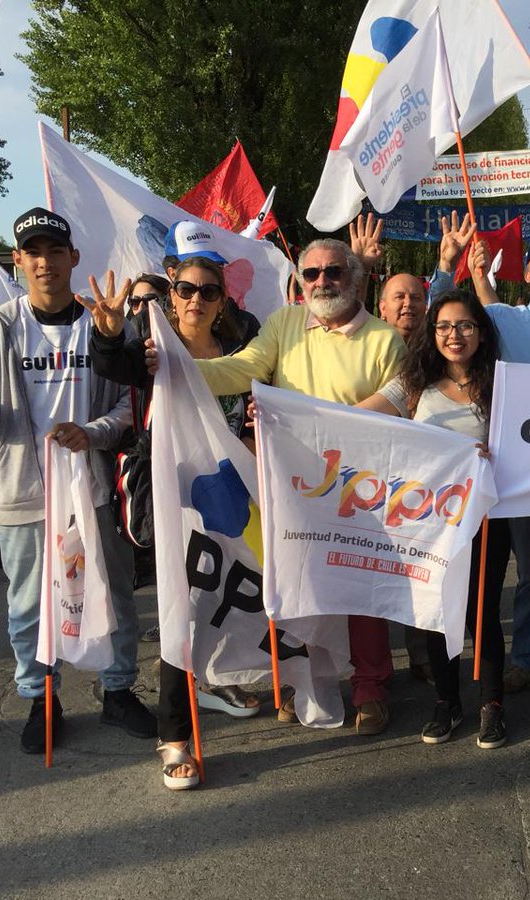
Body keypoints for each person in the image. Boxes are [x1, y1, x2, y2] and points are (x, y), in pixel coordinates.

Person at [158, 236, 406, 735]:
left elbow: (397, 402)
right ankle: (304, 682)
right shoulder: (283, 325)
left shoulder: (384, 338)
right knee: (298, 589)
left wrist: (317, 425)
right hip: (293, 490)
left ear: (355, 278)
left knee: (359, 593)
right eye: (311, 274)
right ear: (299, 281)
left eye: (333, 272)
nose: (322, 282)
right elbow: (242, 369)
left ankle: (371, 687)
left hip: (360, 492)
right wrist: (180, 367)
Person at [0, 207, 155, 754]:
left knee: (113, 594)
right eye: (33, 253)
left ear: (73, 258)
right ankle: (42, 698)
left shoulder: (104, 324)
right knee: (28, 605)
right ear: (18, 261)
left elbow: (131, 410)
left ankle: (117, 689)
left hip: (92, 493)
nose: (44, 262)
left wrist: (91, 432)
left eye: (54, 252)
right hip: (23, 496)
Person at [85, 257, 262, 788]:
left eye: (208, 292)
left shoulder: (239, 354)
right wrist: (109, 332)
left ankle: (246, 682)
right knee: (183, 612)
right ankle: (175, 736)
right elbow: (114, 366)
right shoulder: (153, 352)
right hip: (174, 503)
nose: (196, 300)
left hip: (236, 498)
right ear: (171, 296)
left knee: (241, 596)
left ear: (222, 301)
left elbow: (259, 405)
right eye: (185, 289)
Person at [358, 290, 512, 748]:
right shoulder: (414, 383)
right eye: (444, 326)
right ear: (433, 333)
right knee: (434, 614)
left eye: (464, 325)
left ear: (480, 332)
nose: (454, 335)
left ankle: (492, 704)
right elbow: (351, 417)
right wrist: (279, 414)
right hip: (427, 522)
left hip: (485, 519)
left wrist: (495, 454)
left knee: (481, 614)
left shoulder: (502, 385)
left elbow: (529, 442)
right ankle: (446, 702)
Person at [437, 223, 530, 693]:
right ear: (529, 272)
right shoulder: (502, 318)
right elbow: (447, 322)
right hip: (518, 468)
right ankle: (528, 656)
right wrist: (458, 265)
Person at [377, 269, 439, 683]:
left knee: (422, 571)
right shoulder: (362, 342)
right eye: (398, 297)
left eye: (416, 297)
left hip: (425, 482)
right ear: (381, 307)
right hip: (367, 476)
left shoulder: (439, 348)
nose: (408, 305)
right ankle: (371, 666)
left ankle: (425, 654)